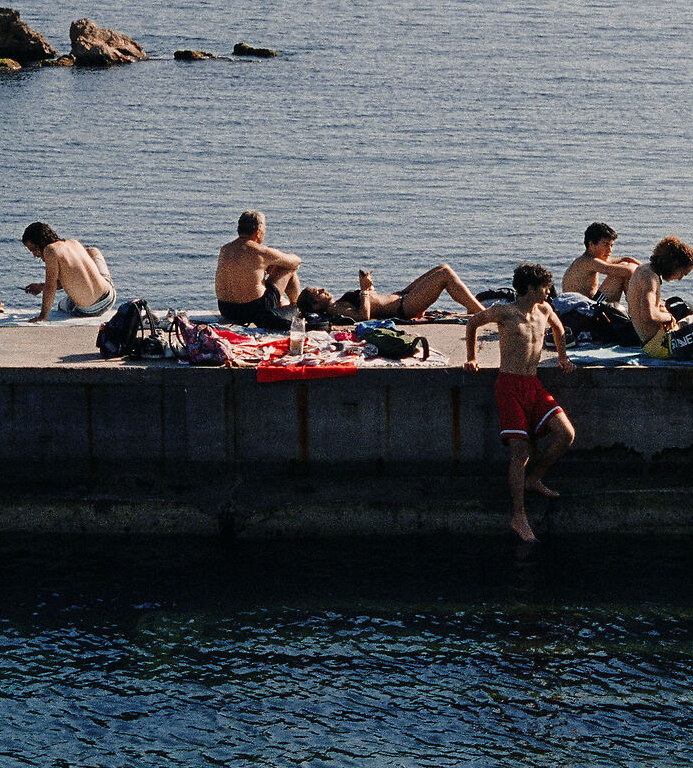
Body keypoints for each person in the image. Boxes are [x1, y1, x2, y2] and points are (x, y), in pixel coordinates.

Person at [463, 263, 576, 544]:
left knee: (566, 434)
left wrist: (563, 358)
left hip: (533, 384)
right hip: (509, 385)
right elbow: (473, 322)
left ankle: (533, 479)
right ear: (529, 289)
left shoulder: (545, 310)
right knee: (520, 452)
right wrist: (472, 357)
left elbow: (559, 330)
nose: (549, 291)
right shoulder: (505, 312)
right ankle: (519, 515)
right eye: (544, 287)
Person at [299, 264, 482, 324]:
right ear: (315, 305)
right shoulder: (335, 308)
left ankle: (473, 307)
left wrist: (369, 287)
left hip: (401, 295)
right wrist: (363, 290)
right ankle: (480, 311)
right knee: (445, 275)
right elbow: (363, 317)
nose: (322, 290)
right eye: (317, 293)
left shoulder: (339, 302)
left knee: (442, 267)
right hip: (404, 306)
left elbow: (372, 302)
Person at [216, 209, 304, 330]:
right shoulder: (260, 251)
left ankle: (283, 304)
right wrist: (276, 265)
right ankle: (297, 307)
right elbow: (295, 262)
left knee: (265, 281)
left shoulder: (225, 249)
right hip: (253, 309)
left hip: (226, 309)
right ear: (258, 232)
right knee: (287, 269)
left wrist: (267, 265)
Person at [20, 222, 117, 319]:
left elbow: (51, 286)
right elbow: (73, 280)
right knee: (92, 251)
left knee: (61, 305)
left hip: (89, 310)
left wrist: (42, 316)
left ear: (41, 241)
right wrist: (41, 287)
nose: (34, 254)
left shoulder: (50, 250)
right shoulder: (74, 242)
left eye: (34, 249)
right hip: (109, 297)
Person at [562, 222, 642, 306]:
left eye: (611, 245)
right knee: (620, 274)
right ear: (591, 244)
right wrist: (644, 271)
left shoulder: (592, 259)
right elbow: (628, 271)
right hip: (583, 310)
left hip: (587, 304)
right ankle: (637, 312)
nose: (610, 250)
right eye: (605, 245)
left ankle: (636, 311)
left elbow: (626, 259)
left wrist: (643, 266)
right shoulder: (587, 261)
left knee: (625, 265)